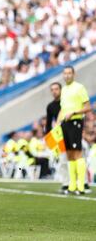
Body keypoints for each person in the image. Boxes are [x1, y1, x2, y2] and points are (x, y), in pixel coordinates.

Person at [57, 66, 92, 195]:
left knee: (77, 153)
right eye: (65, 73)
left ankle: (81, 185)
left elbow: (88, 107)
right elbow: (63, 108)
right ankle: (72, 185)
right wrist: (58, 121)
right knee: (69, 154)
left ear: (74, 74)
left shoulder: (79, 87)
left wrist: (74, 112)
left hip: (76, 121)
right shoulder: (64, 89)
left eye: (69, 73)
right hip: (65, 123)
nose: (67, 76)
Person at [45, 82, 69, 193]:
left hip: (72, 133)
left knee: (76, 159)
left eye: (56, 89)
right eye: (52, 89)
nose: (54, 91)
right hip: (60, 137)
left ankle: (82, 183)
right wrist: (48, 138)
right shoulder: (50, 106)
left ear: (61, 90)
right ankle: (66, 183)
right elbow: (48, 124)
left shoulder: (67, 102)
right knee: (63, 160)